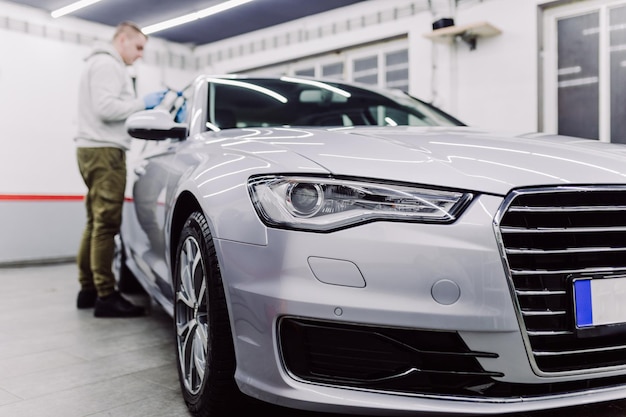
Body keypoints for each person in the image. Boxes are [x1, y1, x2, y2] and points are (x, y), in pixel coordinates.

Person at [74, 21, 166, 317]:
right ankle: (106, 296)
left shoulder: (99, 63)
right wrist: (143, 104)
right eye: (138, 47)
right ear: (123, 40)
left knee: (94, 222)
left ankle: (88, 289)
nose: (140, 54)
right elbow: (106, 108)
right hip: (105, 151)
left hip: (91, 148)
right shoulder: (108, 65)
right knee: (106, 225)